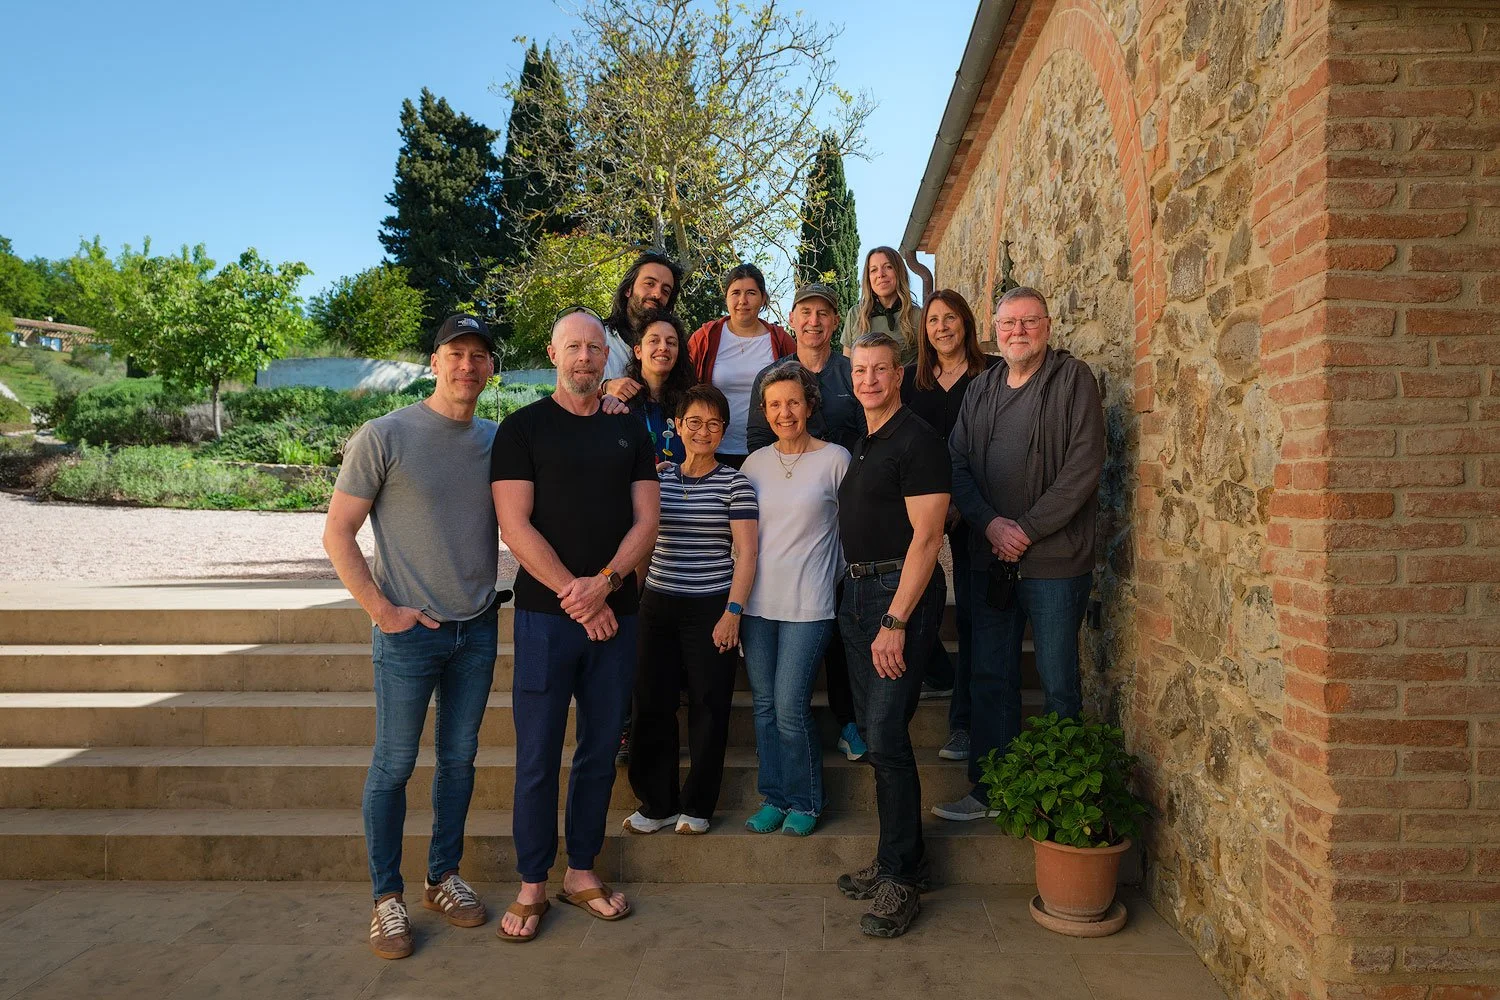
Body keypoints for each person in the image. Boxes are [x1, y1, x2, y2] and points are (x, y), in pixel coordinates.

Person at [323, 313, 501, 961]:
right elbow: (338, 532)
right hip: (408, 635)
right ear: (434, 362)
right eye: (456, 353)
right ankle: (385, 898)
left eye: (479, 356)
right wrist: (380, 608)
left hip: (477, 630)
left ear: (491, 370)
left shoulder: (495, 440)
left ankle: (442, 877)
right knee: (395, 764)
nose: (467, 366)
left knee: (458, 760)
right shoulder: (386, 434)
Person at [490, 308, 660, 941]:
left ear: (606, 358)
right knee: (536, 755)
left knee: (596, 752)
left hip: (618, 615)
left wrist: (607, 585)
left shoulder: (630, 431)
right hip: (545, 619)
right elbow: (515, 524)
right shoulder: (522, 428)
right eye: (574, 347)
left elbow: (647, 521)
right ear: (554, 352)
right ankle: (533, 881)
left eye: (595, 347)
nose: (586, 357)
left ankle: (581, 872)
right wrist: (575, 594)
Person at [934, 286, 1105, 824]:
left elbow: (1083, 468)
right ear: (994, 329)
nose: (1018, 332)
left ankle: (1066, 807)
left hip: (1055, 564)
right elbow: (956, 463)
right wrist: (989, 523)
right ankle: (991, 791)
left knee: (1057, 683)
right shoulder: (981, 389)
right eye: (1008, 324)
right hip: (992, 562)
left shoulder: (1073, 381)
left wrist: (1025, 529)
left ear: (1048, 327)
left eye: (1029, 322)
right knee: (991, 678)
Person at [832, 332, 951, 939]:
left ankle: (902, 879)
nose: (869, 379)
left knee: (885, 734)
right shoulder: (866, 440)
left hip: (894, 600)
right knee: (878, 739)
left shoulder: (917, 442)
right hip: (858, 595)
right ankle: (892, 860)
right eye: (860, 370)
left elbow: (927, 540)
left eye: (880, 370)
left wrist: (896, 621)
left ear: (899, 375)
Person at [624, 383, 758, 835]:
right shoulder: (657, 479)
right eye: (693, 422)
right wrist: (637, 598)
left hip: (711, 607)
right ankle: (655, 802)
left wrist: (732, 612)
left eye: (713, 423)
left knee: (708, 705)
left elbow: (747, 553)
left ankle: (698, 805)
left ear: (723, 431)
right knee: (651, 704)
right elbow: (643, 545)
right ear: (677, 427)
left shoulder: (736, 483)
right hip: (658, 604)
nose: (702, 431)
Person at [746, 282, 866, 761]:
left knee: (839, 621)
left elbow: (863, 429)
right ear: (791, 321)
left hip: (838, 497)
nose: (814, 320)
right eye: (805, 312)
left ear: (835, 323)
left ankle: (849, 719)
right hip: (792, 502)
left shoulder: (846, 371)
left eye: (823, 312)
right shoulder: (771, 376)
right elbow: (759, 437)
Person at [739, 363, 850, 836]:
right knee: (763, 706)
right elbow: (739, 539)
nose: (785, 412)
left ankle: (805, 800)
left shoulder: (836, 459)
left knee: (789, 705)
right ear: (764, 411)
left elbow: (851, 533)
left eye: (793, 402)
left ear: (809, 405)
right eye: (775, 405)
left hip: (809, 604)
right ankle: (775, 796)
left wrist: (827, 575)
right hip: (757, 605)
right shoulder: (753, 464)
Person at [900, 290, 999, 761]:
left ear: (966, 324)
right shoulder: (910, 383)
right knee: (915, 602)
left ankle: (965, 726)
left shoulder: (993, 373)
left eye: (950, 318)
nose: (941, 327)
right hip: (920, 514)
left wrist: (962, 504)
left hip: (980, 509)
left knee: (975, 620)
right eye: (933, 320)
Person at [687, 262, 796, 467]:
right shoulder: (705, 337)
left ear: (763, 298)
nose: (742, 301)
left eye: (751, 293)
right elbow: (683, 386)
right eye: (735, 292)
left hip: (768, 449)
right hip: (713, 448)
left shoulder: (780, 340)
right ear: (726, 297)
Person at [601, 251, 683, 395]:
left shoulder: (673, 351)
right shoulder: (599, 338)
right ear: (628, 289)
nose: (657, 294)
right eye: (649, 284)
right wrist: (604, 388)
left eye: (665, 291)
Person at [623, 309, 697, 465]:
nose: (663, 347)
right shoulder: (620, 405)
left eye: (671, 342)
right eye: (654, 341)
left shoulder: (691, 406)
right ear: (638, 351)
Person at [843, 246, 922, 365]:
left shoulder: (917, 316)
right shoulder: (855, 314)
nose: (880, 274)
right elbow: (847, 365)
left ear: (899, 272)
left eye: (888, 267)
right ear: (868, 278)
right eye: (873, 270)